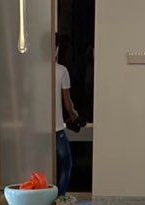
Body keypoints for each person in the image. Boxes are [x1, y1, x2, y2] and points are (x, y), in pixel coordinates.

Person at [55, 36, 79, 196]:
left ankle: (42, 198)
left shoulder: (34, 69)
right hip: (56, 128)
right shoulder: (61, 71)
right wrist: (73, 114)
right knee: (66, 163)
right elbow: (67, 102)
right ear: (56, 49)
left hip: (37, 129)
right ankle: (59, 197)